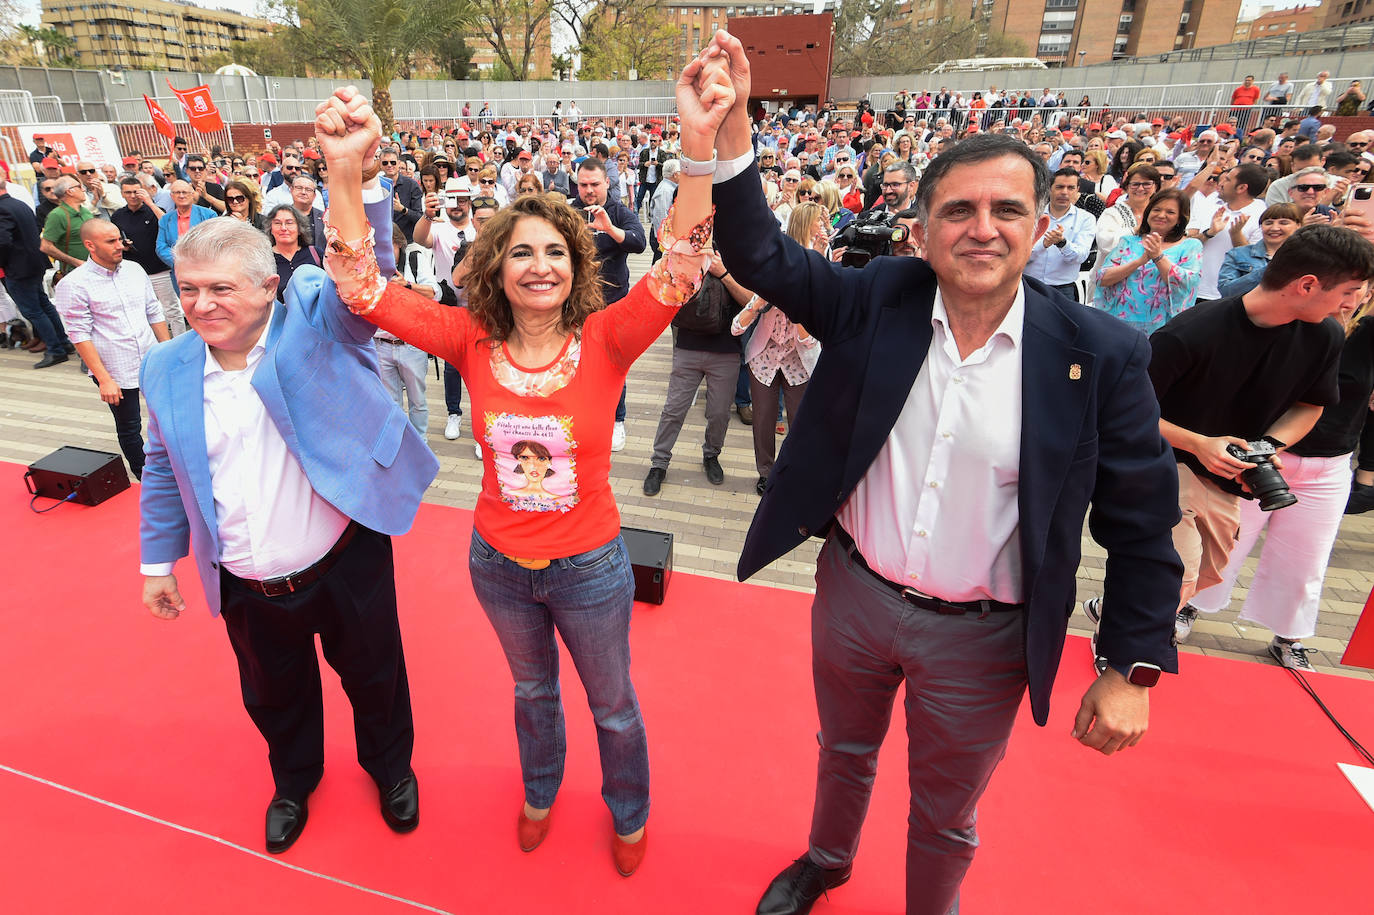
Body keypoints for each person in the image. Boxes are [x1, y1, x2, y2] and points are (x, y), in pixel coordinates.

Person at [689, 32, 1183, 915]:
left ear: (1043, 226)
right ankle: (826, 860)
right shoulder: (878, 294)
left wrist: (1131, 668)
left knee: (946, 812)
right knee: (842, 749)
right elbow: (762, 258)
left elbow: (1143, 522)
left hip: (984, 634)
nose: (982, 228)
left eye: (1007, 209)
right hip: (854, 593)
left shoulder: (1101, 355)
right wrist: (731, 135)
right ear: (921, 230)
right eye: (958, 210)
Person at [316, 70, 721, 875]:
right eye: (522, 252)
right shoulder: (466, 337)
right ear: (495, 267)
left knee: (612, 705)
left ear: (577, 265)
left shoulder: (609, 338)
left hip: (593, 569)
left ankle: (628, 808)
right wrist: (343, 168)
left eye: (556, 252)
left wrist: (700, 145)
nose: (540, 266)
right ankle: (541, 791)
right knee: (532, 694)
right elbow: (361, 287)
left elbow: (679, 266)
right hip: (497, 566)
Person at [138, 205, 434, 856]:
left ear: (268, 284)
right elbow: (161, 466)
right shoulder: (163, 368)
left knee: (375, 676)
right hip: (247, 583)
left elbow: (364, 278)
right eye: (188, 287)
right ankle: (295, 781)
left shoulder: (311, 326)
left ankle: (390, 769)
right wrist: (157, 561)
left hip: (343, 561)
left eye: (221, 287)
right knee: (273, 694)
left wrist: (352, 176)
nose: (201, 303)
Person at [1141, 225, 1374, 648]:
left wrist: (1267, 448)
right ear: (1307, 285)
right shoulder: (1191, 332)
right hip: (1169, 466)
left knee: (1208, 572)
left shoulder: (1325, 334)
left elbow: (1311, 404)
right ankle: (1125, 653)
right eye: (1351, 290)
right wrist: (1198, 443)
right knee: (1175, 575)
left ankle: (1121, 612)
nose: (1354, 302)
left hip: (1230, 477)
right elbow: (1123, 414)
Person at [1189, 281, 1372, 669]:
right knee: (1222, 545)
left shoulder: (1367, 337)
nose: (1351, 299)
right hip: (1257, 457)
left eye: (1361, 289)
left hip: (1330, 463)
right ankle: (1186, 606)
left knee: (1306, 560)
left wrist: (1368, 469)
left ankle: (1290, 636)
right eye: (1344, 288)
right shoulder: (1291, 325)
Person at [53, 219, 171, 478]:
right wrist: (104, 379)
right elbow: (78, 334)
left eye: (120, 239)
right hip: (115, 368)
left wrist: (167, 351)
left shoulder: (135, 270)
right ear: (90, 245)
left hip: (152, 360)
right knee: (130, 426)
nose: (120, 246)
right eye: (112, 242)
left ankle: (173, 466)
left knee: (168, 415)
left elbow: (153, 310)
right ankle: (145, 477)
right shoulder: (74, 284)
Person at [732, 201, 825, 497]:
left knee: (800, 423)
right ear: (805, 223)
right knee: (763, 420)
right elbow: (737, 326)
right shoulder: (779, 263)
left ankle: (795, 474)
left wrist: (801, 312)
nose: (822, 227)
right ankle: (766, 473)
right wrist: (759, 303)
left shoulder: (821, 262)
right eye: (817, 222)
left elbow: (814, 335)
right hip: (765, 359)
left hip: (800, 360)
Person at [643, 251, 747, 496]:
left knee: (720, 413)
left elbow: (751, 301)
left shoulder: (740, 253)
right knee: (674, 409)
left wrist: (723, 273)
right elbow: (661, 289)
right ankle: (659, 463)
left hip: (725, 350)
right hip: (688, 345)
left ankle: (711, 455)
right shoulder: (684, 250)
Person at [574, 156, 647, 452]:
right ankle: (583, 415)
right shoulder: (570, 211)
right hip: (576, 305)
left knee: (614, 364)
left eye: (594, 184)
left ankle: (617, 420)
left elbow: (640, 242)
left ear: (607, 182)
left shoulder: (620, 211)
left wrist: (609, 230)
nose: (589, 190)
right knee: (576, 363)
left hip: (613, 303)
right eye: (583, 185)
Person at [415, 176, 478, 442]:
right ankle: (454, 413)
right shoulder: (439, 228)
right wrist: (427, 216)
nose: (457, 206)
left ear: (469, 202)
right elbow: (419, 238)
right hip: (449, 304)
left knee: (478, 367)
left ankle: (480, 425)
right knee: (452, 364)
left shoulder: (479, 227)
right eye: (452, 200)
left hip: (479, 305)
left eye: (462, 200)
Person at [1093, 188, 1203, 334]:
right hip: (1118, 324)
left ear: (1180, 219)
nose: (1161, 215)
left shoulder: (1190, 246)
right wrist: (1141, 260)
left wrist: (1158, 257)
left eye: (1170, 212)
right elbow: (1103, 278)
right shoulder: (1128, 241)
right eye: (1156, 209)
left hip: (1161, 329)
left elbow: (1186, 284)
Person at [0, 181, 73, 367]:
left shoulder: (4, 208)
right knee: (43, 305)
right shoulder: (19, 204)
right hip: (32, 263)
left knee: (33, 310)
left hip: (19, 268)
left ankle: (56, 349)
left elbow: (3, 242)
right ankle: (63, 343)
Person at [379, 224, 438, 435]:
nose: (381, 252)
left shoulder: (414, 259)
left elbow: (434, 293)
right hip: (380, 344)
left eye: (387, 245)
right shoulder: (369, 266)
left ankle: (420, 443)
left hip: (411, 344)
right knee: (390, 403)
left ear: (398, 243)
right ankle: (399, 447)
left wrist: (408, 286)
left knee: (418, 401)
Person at [111, 175, 184, 336]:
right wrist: (123, 245)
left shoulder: (154, 210)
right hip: (134, 271)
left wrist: (150, 203)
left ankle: (179, 340)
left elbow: (167, 223)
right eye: (128, 192)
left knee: (172, 309)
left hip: (160, 269)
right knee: (142, 311)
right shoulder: (117, 216)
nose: (132, 196)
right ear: (122, 194)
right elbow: (113, 238)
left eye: (136, 192)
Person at [1186, 163, 1268, 303]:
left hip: (1228, 297)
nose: (1221, 183)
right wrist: (1209, 233)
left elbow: (1254, 263)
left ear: (1242, 188)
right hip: (1191, 290)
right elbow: (1188, 245)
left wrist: (1236, 234)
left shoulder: (1263, 217)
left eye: (1228, 179)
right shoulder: (1209, 206)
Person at [1024, 168, 1096, 301]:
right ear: (1050, 188)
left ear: (1077, 190)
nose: (1064, 192)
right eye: (1059, 187)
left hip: (1063, 289)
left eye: (1070, 188)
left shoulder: (1086, 219)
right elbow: (1022, 255)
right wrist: (1044, 244)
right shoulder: (1032, 214)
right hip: (1029, 285)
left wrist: (1062, 244)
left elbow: (1081, 256)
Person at [1217, 203, 1301, 298]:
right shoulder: (1237, 254)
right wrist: (1268, 270)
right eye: (1268, 223)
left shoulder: (1306, 256)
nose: (1274, 228)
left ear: (1298, 225)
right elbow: (1226, 291)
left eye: (1283, 223)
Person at [155, 181, 217, 291]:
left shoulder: (208, 215)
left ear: (192, 194)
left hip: (206, 270)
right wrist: (180, 261)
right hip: (180, 273)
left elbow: (213, 242)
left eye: (185, 192)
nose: (181, 195)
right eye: (177, 192)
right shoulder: (165, 219)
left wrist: (194, 260)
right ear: (171, 196)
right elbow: (161, 247)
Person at [40, 177, 97, 280]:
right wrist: (75, 262)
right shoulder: (57, 215)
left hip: (96, 268)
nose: (83, 189)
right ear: (70, 191)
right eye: (79, 187)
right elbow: (46, 246)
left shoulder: (85, 211)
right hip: (76, 273)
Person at [266, 204, 319, 301]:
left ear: (299, 229)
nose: (283, 228)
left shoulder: (316, 254)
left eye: (289, 223)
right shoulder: (264, 259)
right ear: (271, 229)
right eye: (277, 223)